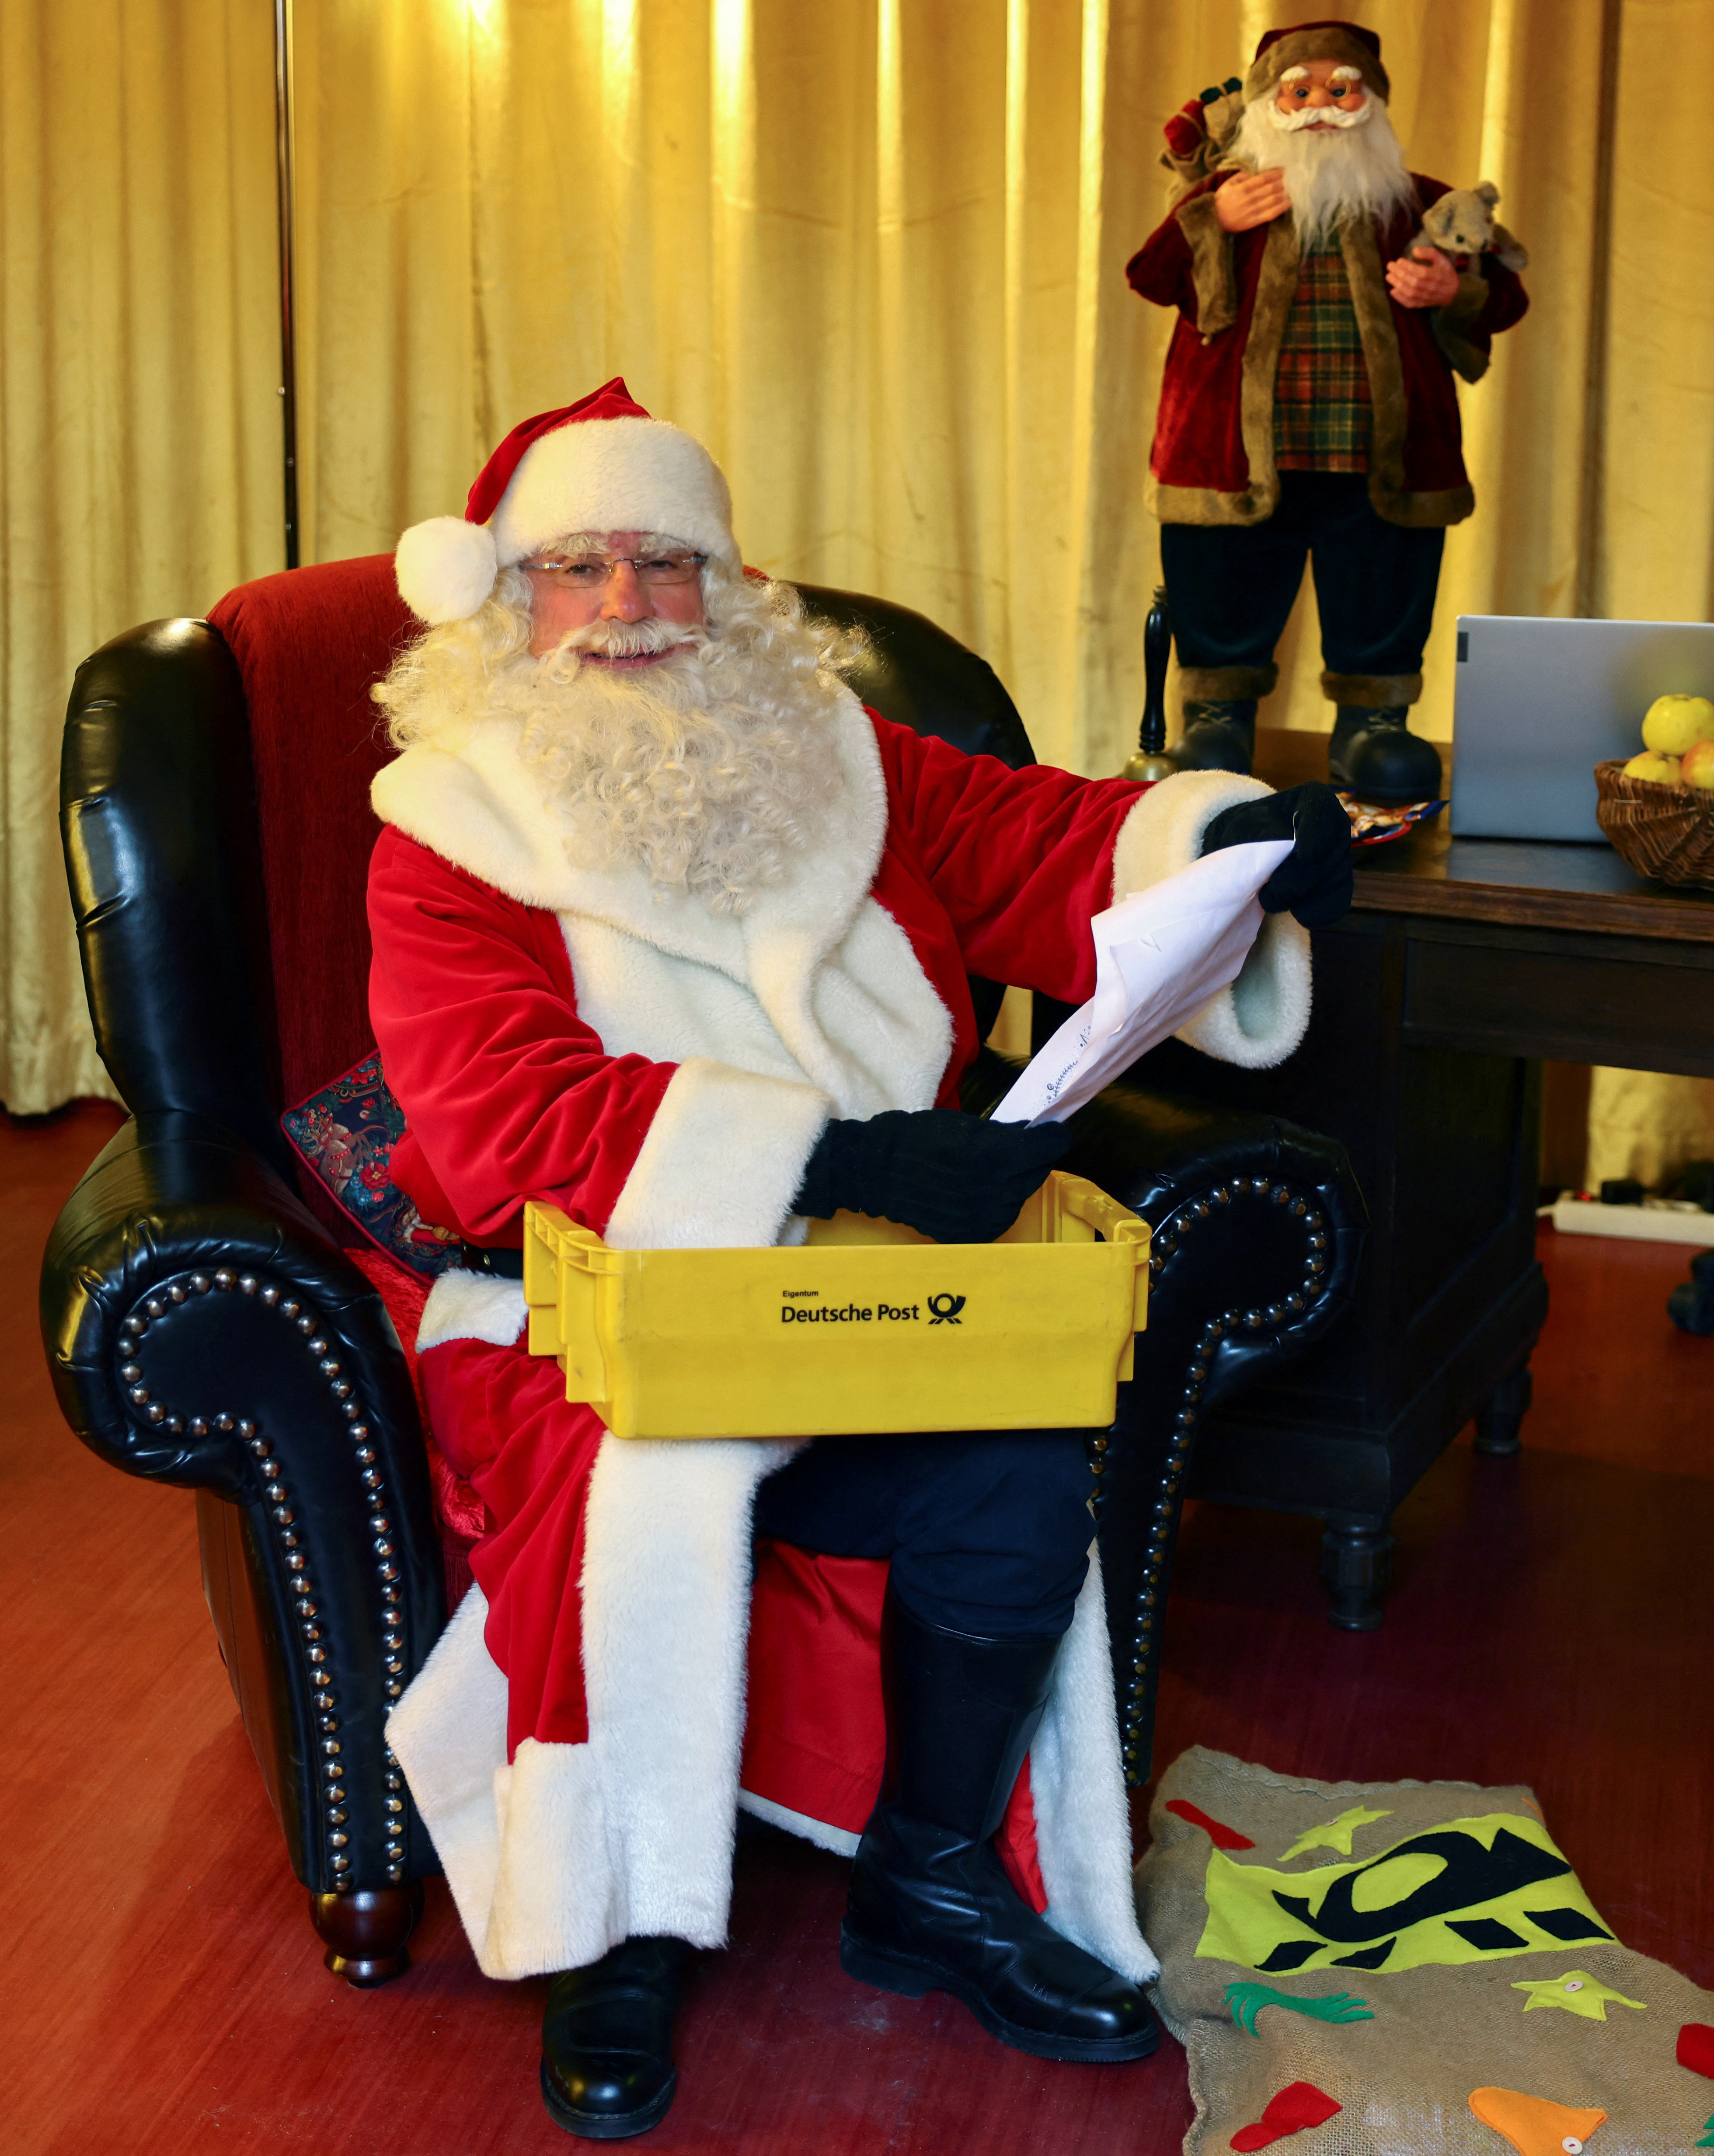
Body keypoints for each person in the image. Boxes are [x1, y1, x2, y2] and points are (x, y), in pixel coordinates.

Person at [368, 379, 1344, 2139]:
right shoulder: (450, 824)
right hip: (580, 1306)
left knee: (1018, 1461)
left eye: (667, 560)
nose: (626, 604)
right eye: (578, 565)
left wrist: (1229, 845)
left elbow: (1043, 842)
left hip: (877, 1273)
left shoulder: (837, 751)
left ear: (729, 585)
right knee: (629, 1472)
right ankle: (616, 1924)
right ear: (508, 600)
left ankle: (934, 1870)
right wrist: (836, 1146)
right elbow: (502, 1121)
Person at [1128, 19, 1528, 791]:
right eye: (1299, 91)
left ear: (1372, 104)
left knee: (1381, 586)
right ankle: (1217, 720)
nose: (1320, 106)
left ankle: (1373, 725)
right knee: (1223, 584)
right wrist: (1215, 220)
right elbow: (1150, 275)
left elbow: (1505, 293)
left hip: (1381, 458)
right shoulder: (1229, 195)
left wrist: (1454, 290)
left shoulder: (1422, 208)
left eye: (1341, 90)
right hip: (1234, 456)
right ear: (1266, 106)